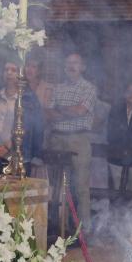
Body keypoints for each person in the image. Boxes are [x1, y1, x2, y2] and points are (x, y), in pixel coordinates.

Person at [46, 53, 97, 230]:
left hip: (78, 139)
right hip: (56, 139)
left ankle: (84, 230)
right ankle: (55, 225)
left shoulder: (89, 88)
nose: (71, 66)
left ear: (83, 67)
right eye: (68, 63)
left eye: (75, 63)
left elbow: (80, 111)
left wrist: (60, 110)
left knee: (81, 186)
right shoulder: (57, 88)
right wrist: (67, 111)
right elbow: (48, 113)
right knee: (56, 185)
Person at [0, 60, 44, 175]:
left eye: (13, 70)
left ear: (21, 74)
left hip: (18, 159)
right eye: (6, 70)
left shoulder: (28, 98)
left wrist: (7, 147)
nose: (9, 73)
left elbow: (28, 128)